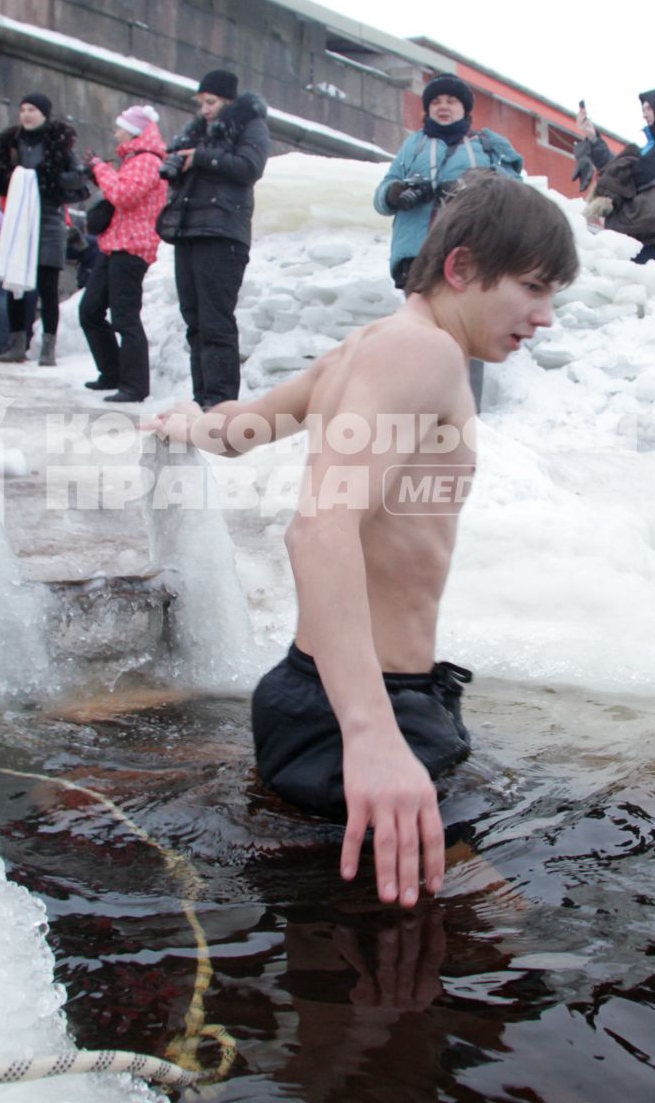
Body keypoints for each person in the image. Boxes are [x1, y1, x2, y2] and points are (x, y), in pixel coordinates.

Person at [150, 174, 578, 905]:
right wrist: (372, 731)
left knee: (359, 937)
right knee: (484, 940)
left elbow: (240, 431)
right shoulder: (424, 354)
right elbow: (319, 528)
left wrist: (185, 424)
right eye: (533, 288)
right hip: (364, 704)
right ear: (461, 268)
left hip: (327, 692)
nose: (543, 317)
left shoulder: (365, 348)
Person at [157, 70, 270, 407]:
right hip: (190, 229)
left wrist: (201, 157)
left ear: (229, 100)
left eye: (211, 102)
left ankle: (221, 402)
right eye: (201, 103)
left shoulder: (250, 124)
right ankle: (202, 396)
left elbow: (251, 167)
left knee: (215, 319)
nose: (205, 110)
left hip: (223, 234)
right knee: (194, 320)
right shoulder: (198, 132)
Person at [374, 73, 523, 291]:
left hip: (471, 251)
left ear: (464, 108)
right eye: (435, 102)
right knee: (422, 319)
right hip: (416, 255)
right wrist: (394, 193)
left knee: (463, 321)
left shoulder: (488, 144)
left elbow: (516, 192)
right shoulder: (413, 145)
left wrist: (472, 186)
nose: (443, 106)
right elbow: (381, 195)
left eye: (451, 101)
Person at [0, 92, 87, 365]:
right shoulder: (11, 144)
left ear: (44, 113)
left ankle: (48, 347)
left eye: (32, 109)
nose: (26, 114)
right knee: (14, 282)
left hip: (48, 219)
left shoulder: (59, 144)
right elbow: (0, 178)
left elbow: (78, 181)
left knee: (47, 284)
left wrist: (48, 180)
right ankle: (16, 342)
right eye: (23, 109)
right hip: (19, 219)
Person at [80, 103, 168, 403]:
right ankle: (112, 373)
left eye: (120, 127)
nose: (115, 132)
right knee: (90, 310)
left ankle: (134, 385)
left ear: (133, 132)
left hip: (132, 248)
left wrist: (100, 169)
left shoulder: (146, 160)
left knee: (125, 317)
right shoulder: (134, 160)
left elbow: (123, 196)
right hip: (115, 245)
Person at [576, 88, 655, 264]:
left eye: (649, 109)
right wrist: (593, 138)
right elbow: (619, 172)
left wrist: (614, 178)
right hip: (635, 229)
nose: (644, 115)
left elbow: (642, 174)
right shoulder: (651, 146)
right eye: (643, 110)